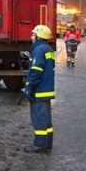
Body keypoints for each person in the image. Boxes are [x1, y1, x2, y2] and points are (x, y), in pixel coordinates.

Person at [24, 24, 55, 154]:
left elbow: (36, 72)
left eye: (33, 34)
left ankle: (40, 145)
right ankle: (47, 143)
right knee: (46, 118)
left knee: (39, 117)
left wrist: (29, 88)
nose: (31, 37)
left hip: (39, 89)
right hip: (46, 89)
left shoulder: (38, 50)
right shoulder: (48, 49)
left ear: (38, 36)